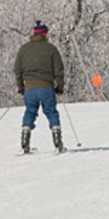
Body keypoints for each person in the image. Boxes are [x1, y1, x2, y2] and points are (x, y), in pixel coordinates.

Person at [14, 20, 65, 153]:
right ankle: (57, 143)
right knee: (51, 112)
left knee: (30, 112)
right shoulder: (51, 49)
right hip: (46, 87)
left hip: (29, 88)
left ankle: (25, 141)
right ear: (45, 34)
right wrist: (59, 87)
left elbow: (17, 69)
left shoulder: (24, 49)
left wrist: (20, 87)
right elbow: (59, 69)